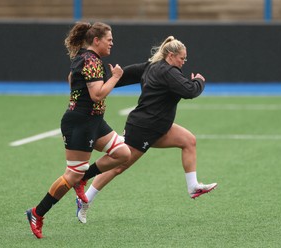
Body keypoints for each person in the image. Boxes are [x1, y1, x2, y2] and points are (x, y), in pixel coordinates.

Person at [74, 36, 218, 224]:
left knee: (188, 140)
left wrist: (108, 80)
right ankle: (84, 199)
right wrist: (199, 81)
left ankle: (193, 186)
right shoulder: (168, 72)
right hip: (143, 128)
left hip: (160, 126)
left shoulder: (151, 66)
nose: (183, 63)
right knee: (118, 166)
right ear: (171, 55)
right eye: (182, 58)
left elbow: (124, 75)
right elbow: (189, 91)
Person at [25, 22, 132, 239]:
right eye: (109, 39)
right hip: (81, 123)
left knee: (123, 154)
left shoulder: (84, 57)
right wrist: (115, 77)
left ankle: (84, 178)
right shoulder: (91, 60)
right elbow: (97, 95)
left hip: (93, 121)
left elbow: (71, 80)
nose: (112, 43)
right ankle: (37, 212)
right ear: (96, 40)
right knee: (72, 174)